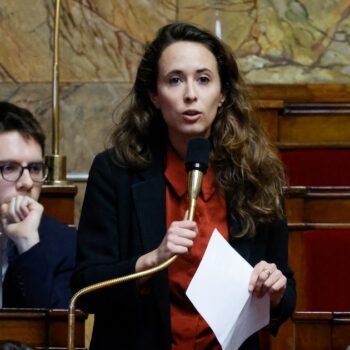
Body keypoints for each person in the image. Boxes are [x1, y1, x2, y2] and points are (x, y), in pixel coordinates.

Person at [72, 22, 296, 349]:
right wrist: (152, 259)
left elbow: (287, 291)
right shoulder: (114, 172)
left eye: (204, 80)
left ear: (222, 95)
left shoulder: (258, 175)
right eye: (175, 80)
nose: (190, 94)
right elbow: (85, 288)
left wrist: (275, 292)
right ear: (154, 96)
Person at [0, 102, 76, 308]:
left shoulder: (65, 243)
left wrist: (28, 244)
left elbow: (58, 334)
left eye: (34, 168)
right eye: (9, 167)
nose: (26, 182)